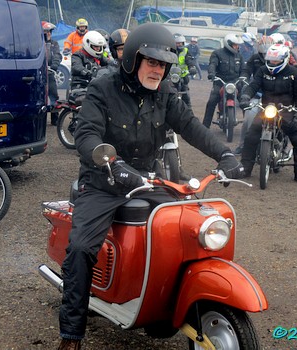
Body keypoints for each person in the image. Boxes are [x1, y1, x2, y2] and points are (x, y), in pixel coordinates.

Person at [56, 22, 244, 350]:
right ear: (132, 59)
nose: (158, 70)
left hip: (146, 179)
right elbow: (86, 135)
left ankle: (162, 302)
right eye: (152, 62)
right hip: (103, 182)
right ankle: (71, 336)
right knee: (81, 250)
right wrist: (112, 164)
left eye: (163, 64)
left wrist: (225, 153)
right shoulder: (104, 87)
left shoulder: (165, 92)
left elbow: (189, 126)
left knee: (187, 224)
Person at [239, 43, 297, 184]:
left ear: (284, 59)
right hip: (266, 108)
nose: (273, 62)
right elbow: (253, 86)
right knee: (251, 134)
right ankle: (245, 169)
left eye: (276, 60)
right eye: (271, 59)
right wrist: (246, 96)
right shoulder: (262, 71)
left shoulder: (294, 73)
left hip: (286, 111)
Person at [233, 35, 273, 155]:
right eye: (263, 53)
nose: (266, 56)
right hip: (257, 94)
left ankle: (283, 147)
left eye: (268, 53)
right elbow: (246, 69)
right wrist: (243, 77)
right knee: (247, 120)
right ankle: (242, 145)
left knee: (287, 121)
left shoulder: (279, 61)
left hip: (275, 97)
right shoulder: (254, 58)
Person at [202, 33, 245, 128]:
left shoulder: (239, 56)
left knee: (245, 102)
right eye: (235, 45)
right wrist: (211, 74)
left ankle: (248, 126)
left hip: (236, 83)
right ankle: (204, 127)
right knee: (211, 102)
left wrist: (244, 77)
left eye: (237, 45)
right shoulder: (217, 53)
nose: (237, 47)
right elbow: (212, 64)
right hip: (220, 83)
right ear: (228, 44)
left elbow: (243, 69)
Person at [42, 21, 62, 125]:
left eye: (50, 31)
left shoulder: (54, 44)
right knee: (40, 97)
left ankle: (55, 119)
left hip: (50, 73)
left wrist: (54, 65)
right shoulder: (38, 43)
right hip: (40, 75)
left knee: (54, 95)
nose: (49, 33)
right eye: (46, 32)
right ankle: (40, 120)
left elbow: (58, 55)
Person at [174, 35, 194, 107]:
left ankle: (189, 109)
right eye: (177, 43)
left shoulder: (186, 51)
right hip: (172, 76)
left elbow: (189, 60)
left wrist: (192, 67)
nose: (179, 45)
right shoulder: (171, 50)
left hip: (183, 76)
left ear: (183, 43)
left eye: (180, 43)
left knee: (186, 93)